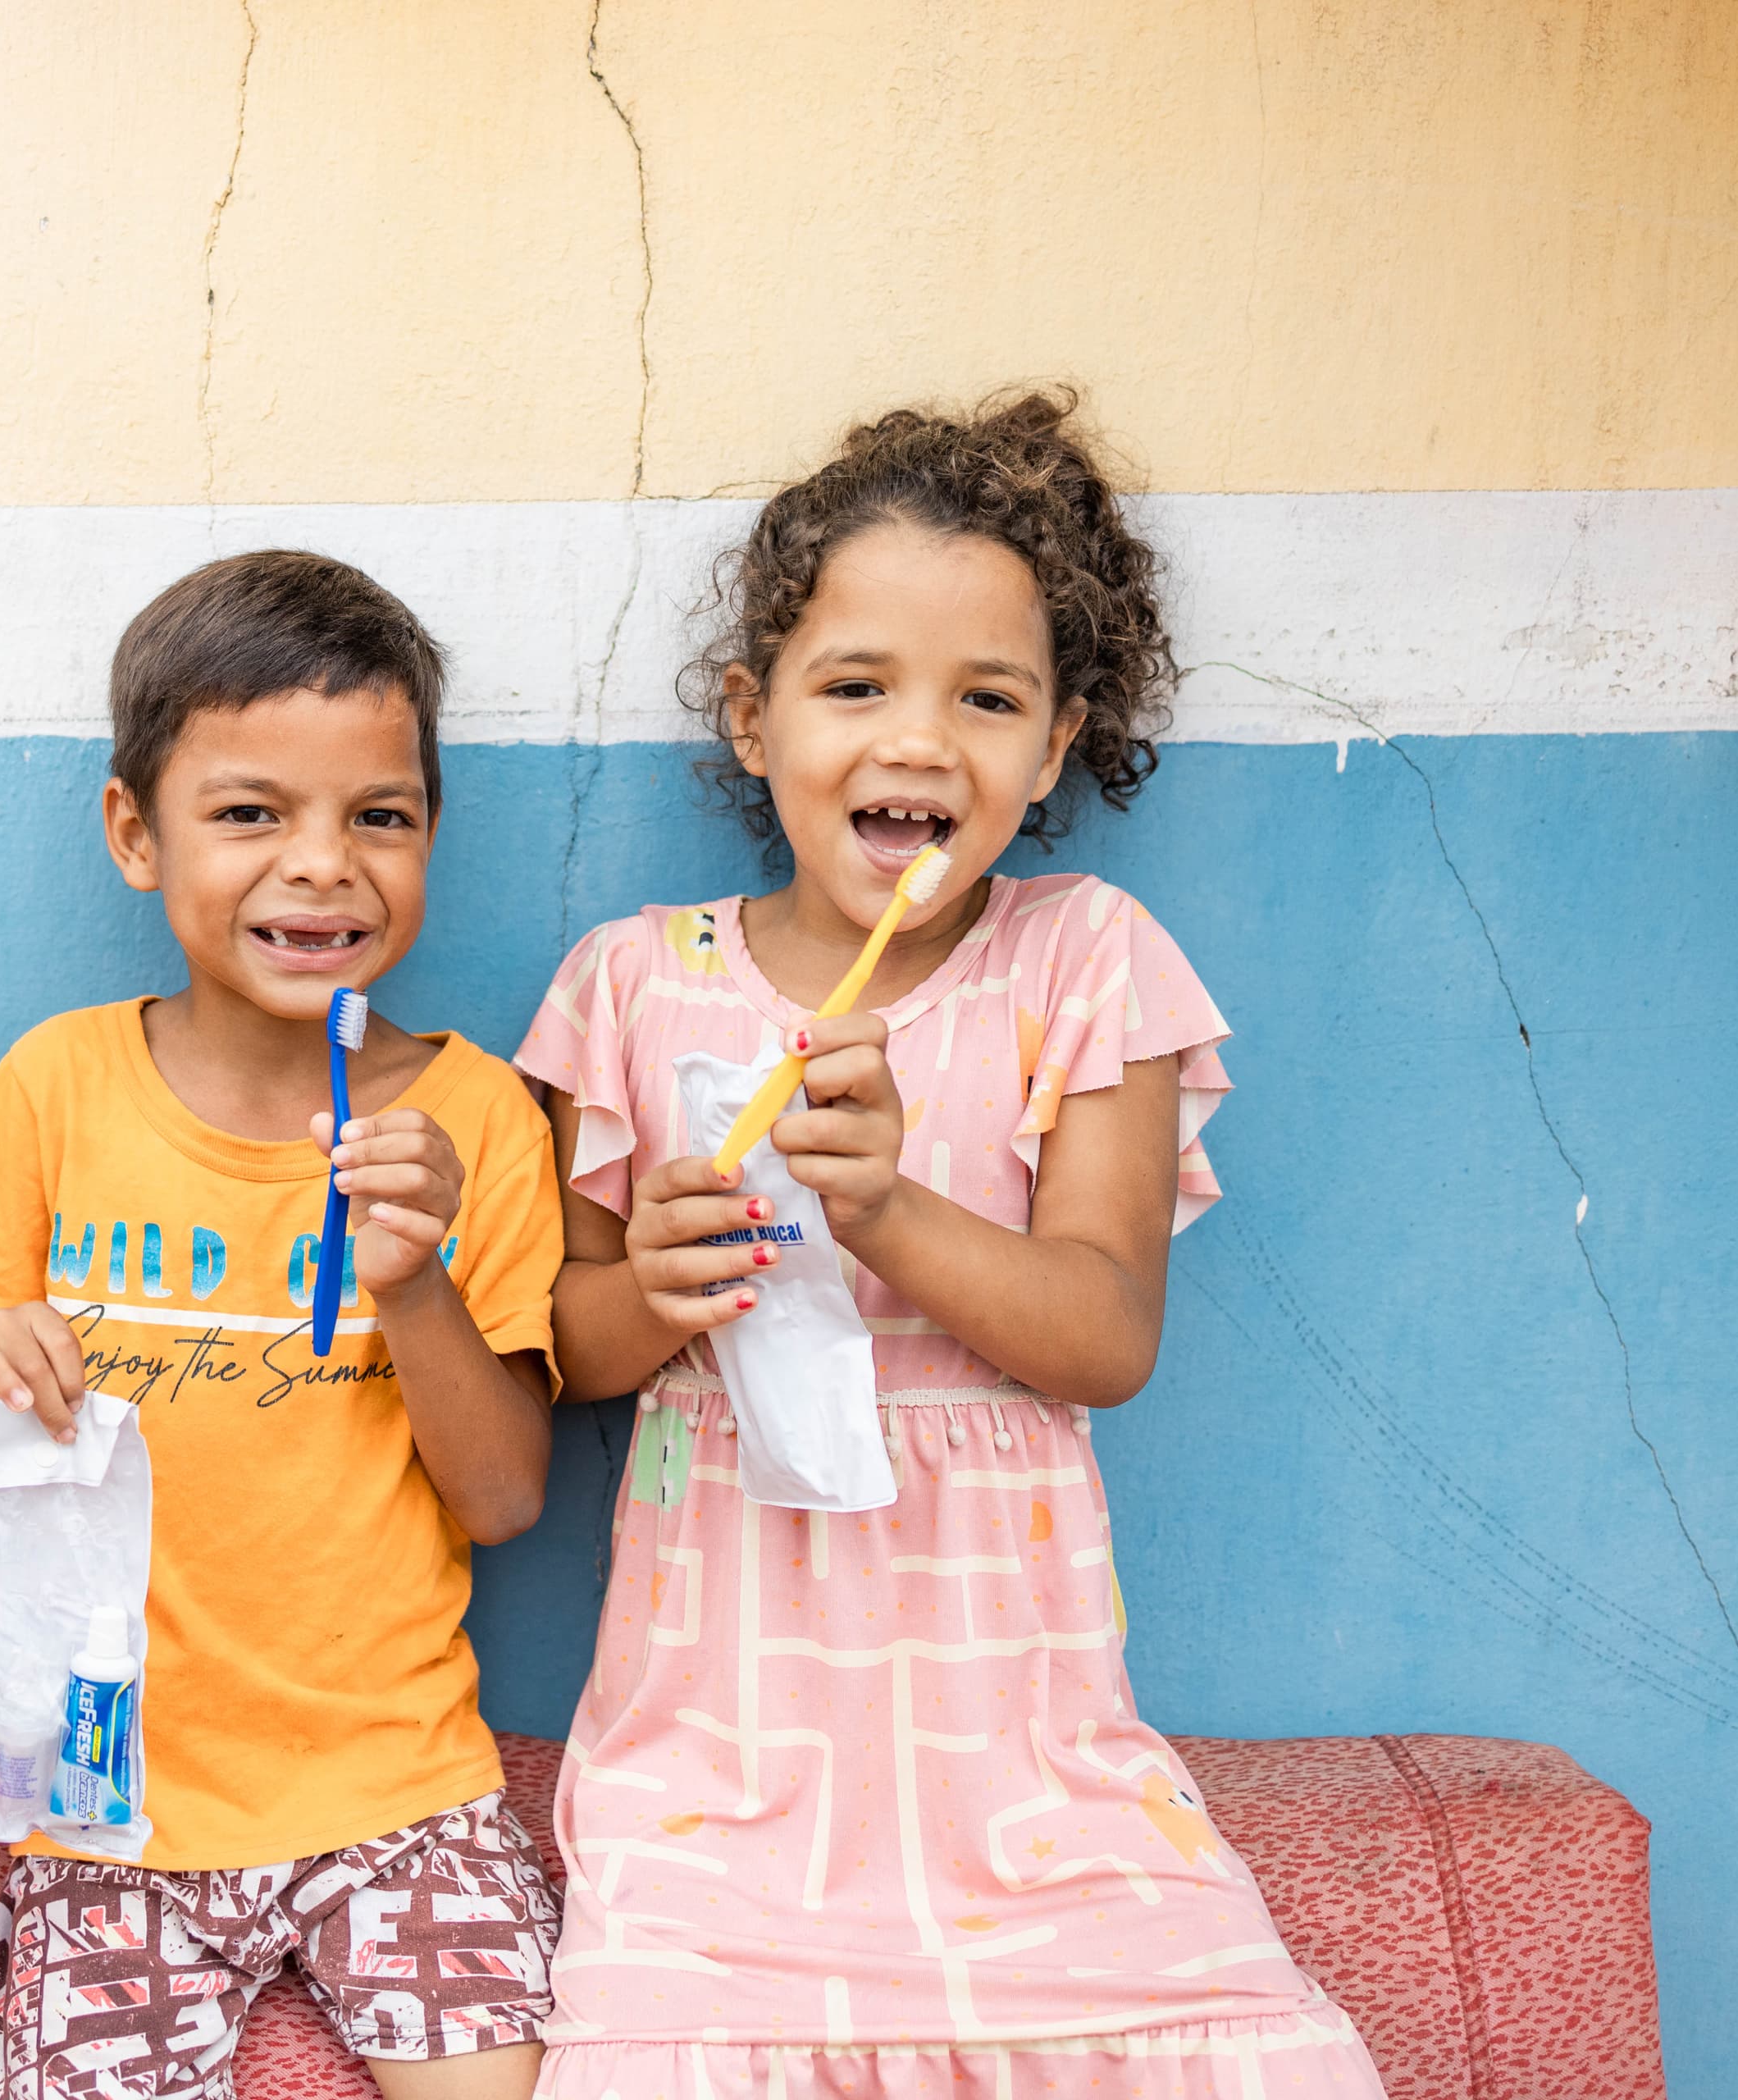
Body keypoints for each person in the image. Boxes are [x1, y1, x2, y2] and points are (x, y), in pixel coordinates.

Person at [514, 394, 1387, 2098]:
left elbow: (1105, 1336)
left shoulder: (1085, 963)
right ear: (752, 719)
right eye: (856, 687)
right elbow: (567, 1344)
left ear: (1056, 744)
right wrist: (662, 1280)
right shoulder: (635, 980)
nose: (919, 743)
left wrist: (892, 1212)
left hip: (1022, 1749)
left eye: (986, 699)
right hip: (724, 1743)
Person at [0, 551, 567, 2100]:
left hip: (402, 1786)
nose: (321, 866)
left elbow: (508, 1499)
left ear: (430, 835)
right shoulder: (59, 1088)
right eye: (250, 813)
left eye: (378, 816)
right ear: (138, 833)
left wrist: (412, 1282)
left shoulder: (475, 1121)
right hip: (106, 1794)